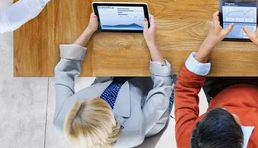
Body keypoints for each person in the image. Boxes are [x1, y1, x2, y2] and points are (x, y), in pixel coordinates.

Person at [174, 11, 258, 148]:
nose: (227, 107)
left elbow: (184, 90)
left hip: (219, 88)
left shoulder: (189, 141)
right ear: (241, 136)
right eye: (231, 114)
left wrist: (208, 42)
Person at [53, 14, 174, 147]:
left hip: (110, 80)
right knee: (172, 66)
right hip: (148, 96)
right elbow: (162, 89)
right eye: (96, 100)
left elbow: (63, 72)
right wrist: (151, 42)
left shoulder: (62, 119)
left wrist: (89, 30)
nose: (86, 97)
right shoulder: (134, 130)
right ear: (110, 113)